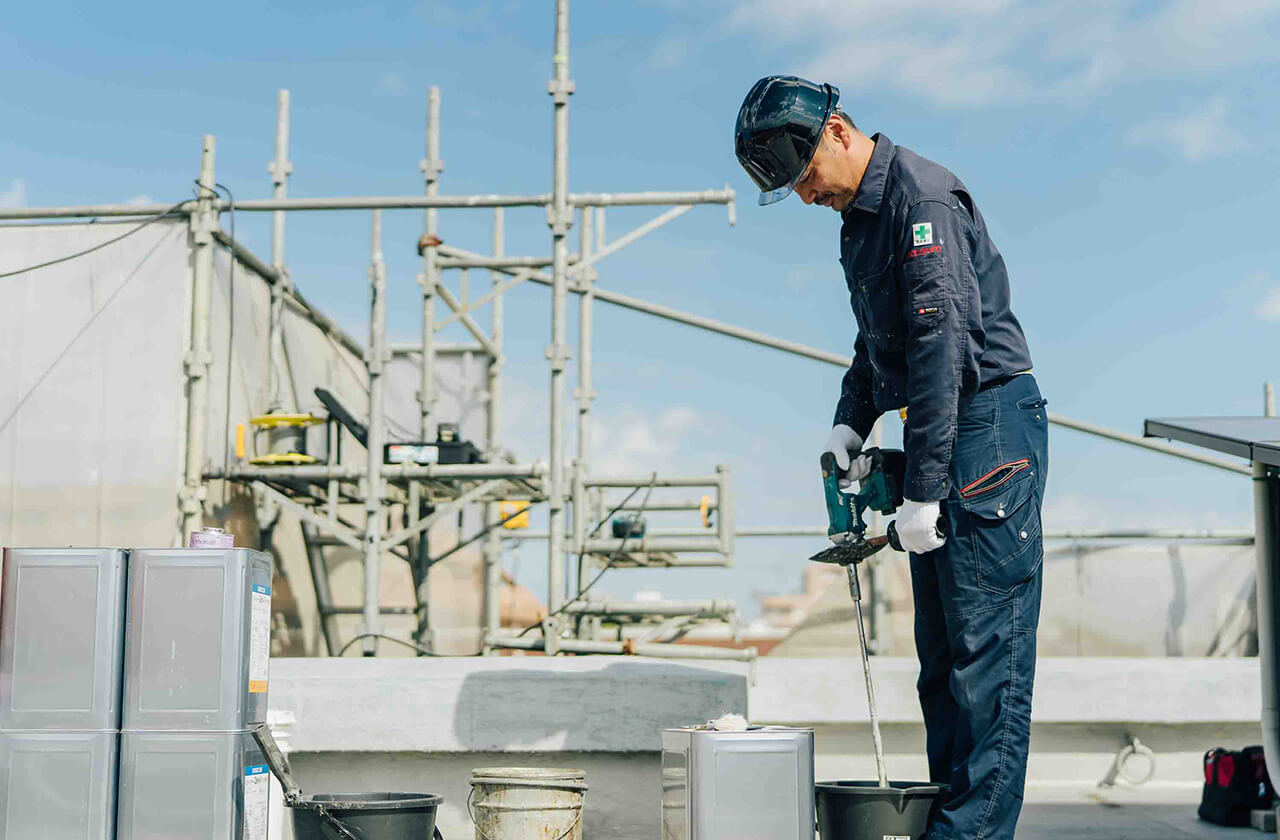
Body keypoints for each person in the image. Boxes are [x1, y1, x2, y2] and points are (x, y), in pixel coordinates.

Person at [735, 75, 1049, 840]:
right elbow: (881, 344)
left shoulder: (924, 204)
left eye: (806, 174)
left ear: (837, 131)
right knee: (941, 667)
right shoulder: (859, 220)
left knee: (986, 668)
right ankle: (953, 827)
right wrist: (851, 422)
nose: (807, 195)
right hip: (943, 430)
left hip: (987, 432)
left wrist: (925, 491)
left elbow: (945, 353)